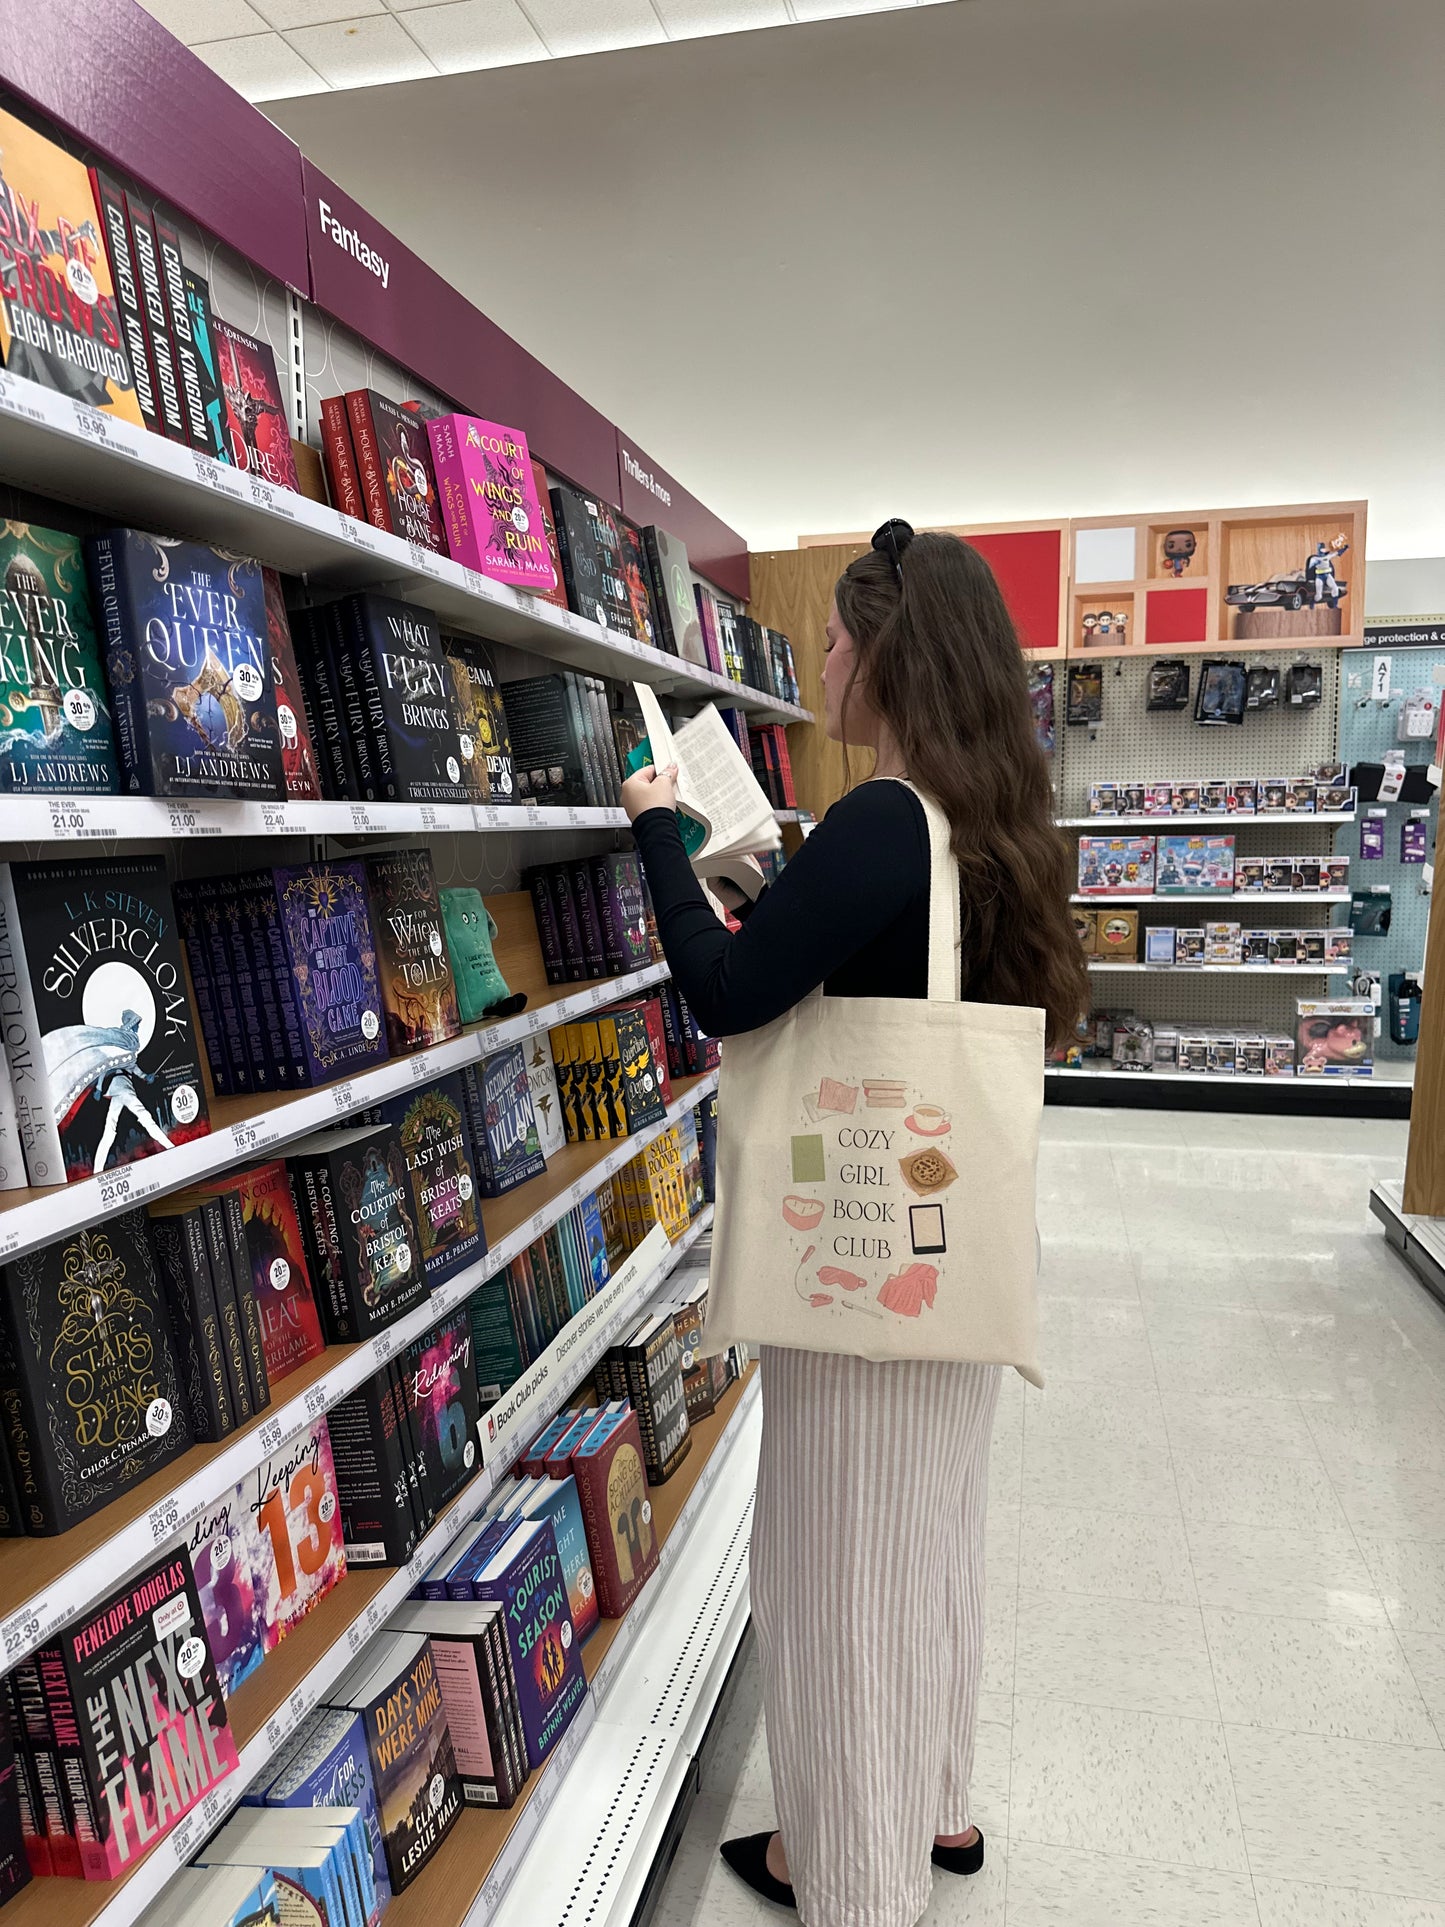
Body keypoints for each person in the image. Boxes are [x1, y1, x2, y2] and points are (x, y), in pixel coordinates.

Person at [621, 522, 1086, 1927]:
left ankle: (857, 1880)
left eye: (831, 637)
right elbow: (872, 963)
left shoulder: (887, 817)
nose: (818, 658)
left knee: (840, 1586)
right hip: (944, 1260)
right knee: (928, 1546)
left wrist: (656, 827)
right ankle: (928, 1813)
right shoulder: (984, 822)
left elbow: (726, 994)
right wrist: (772, 888)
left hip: (858, 1268)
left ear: (886, 654)